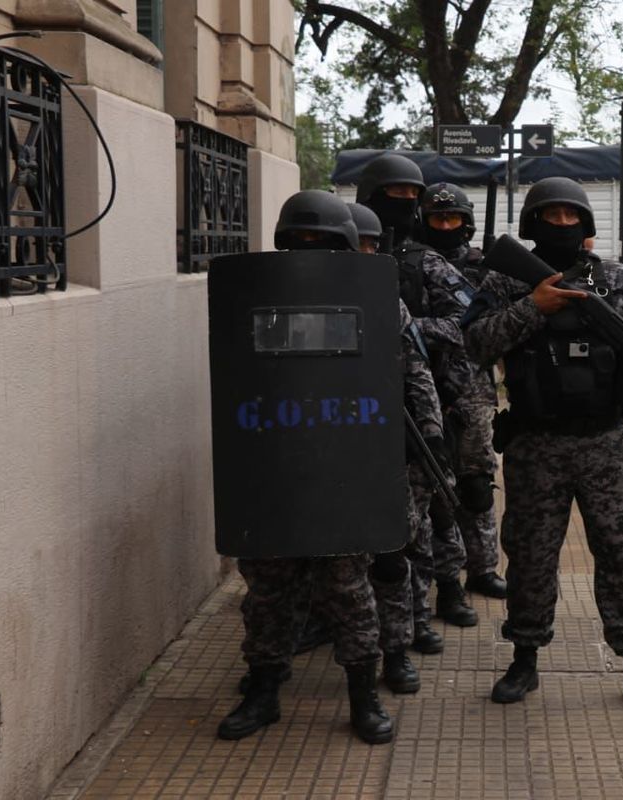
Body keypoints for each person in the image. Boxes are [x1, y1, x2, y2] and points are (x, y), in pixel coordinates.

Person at [463, 176, 623, 712]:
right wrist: (533, 306)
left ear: (586, 224)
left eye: (570, 216)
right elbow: (473, 342)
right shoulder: (508, 279)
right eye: (551, 216)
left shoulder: (616, 280)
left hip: (605, 443)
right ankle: (525, 659)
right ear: (533, 223)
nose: (562, 224)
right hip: (536, 444)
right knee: (532, 557)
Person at [218, 190, 396, 744]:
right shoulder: (261, 291)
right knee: (268, 595)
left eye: (321, 242)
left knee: (349, 594)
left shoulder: (378, 297)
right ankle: (265, 692)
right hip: (275, 473)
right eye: (298, 241)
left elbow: (399, 380)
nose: (308, 251)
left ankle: (363, 698)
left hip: (343, 475)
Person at [358, 154, 482, 651]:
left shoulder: (424, 261)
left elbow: (469, 319)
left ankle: (434, 600)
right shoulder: (344, 253)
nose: (406, 206)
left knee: (431, 512)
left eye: (414, 197)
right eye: (396, 196)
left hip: (425, 400)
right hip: (356, 407)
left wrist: (404, 326)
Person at [418, 182, 508, 600]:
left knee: (475, 483)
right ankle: (441, 576)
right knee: (434, 485)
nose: (446, 225)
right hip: (422, 385)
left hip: (472, 388)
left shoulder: (485, 267)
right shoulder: (411, 262)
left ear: (467, 223)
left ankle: (483, 568)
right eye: (438, 218)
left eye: (453, 217)